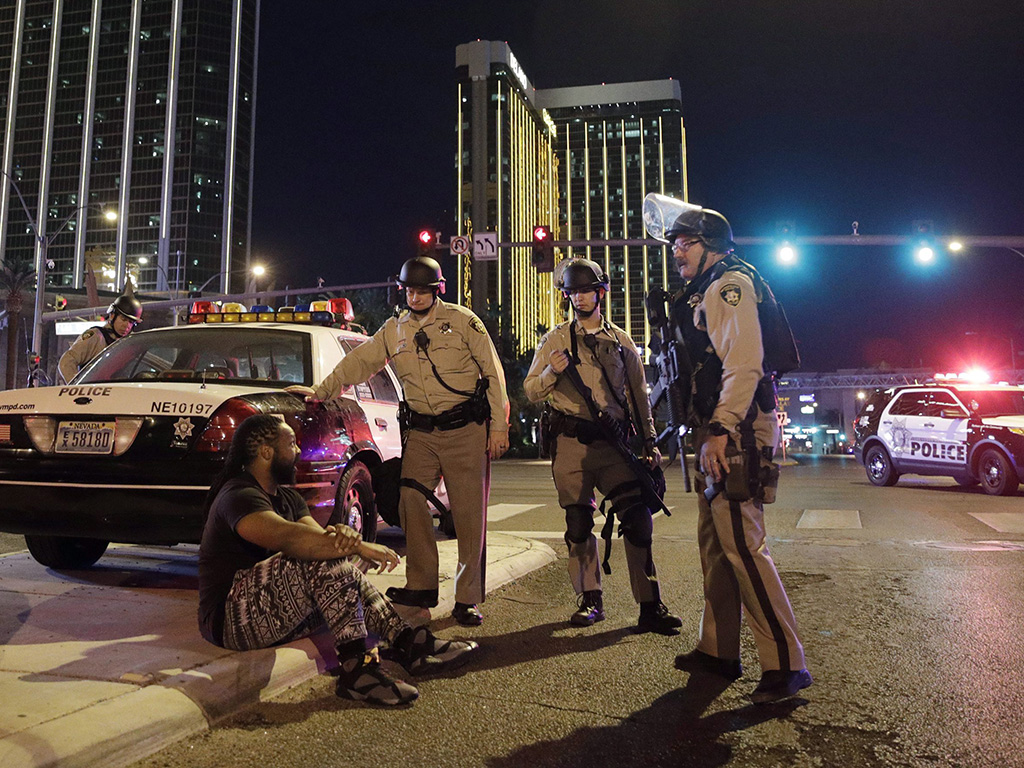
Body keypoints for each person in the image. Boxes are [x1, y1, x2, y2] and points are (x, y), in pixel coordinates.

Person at [198, 413, 479, 707]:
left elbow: (321, 540)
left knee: (330, 560)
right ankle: (356, 669)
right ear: (266, 452)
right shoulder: (238, 495)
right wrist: (361, 548)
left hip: (277, 618)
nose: (297, 452)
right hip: (231, 621)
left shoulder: (289, 499)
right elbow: (290, 539)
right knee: (319, 557)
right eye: (291, 444)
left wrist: (346, 540)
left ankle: (407, 643)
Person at [649, 196, 812, 704]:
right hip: (717, 432)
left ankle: (786, 664)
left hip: (735, 432)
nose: (676, 252)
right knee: (717, 546)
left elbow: (745, 365)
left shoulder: (729, 285)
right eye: (674, 242)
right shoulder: (705, 291)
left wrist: (719, 429)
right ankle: (718, 649)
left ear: (711, 246)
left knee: (743, 545)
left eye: (685, 243)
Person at [290, 256, 509, 627]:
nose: (416, 297)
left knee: (469, 517)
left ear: (437, 290)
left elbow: (492, 371)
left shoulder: (463, 322)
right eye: (410, 290)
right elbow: (358, 363)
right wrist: (320, 390)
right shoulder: (395, 329)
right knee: (409, 499)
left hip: (465, 430)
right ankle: (421, 585)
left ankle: (467, 598)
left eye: (423, 291)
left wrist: (499, 427)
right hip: (422, 432)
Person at [524, 259, 681, 634]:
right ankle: (590, 599)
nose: (579, 298)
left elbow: (639, 395)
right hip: (570, 444)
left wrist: (648, 440)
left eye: (585, 290)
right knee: (578, 523)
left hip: (614, 444)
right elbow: (531, 391)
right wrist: (551, 371)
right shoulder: (555, 340)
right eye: (572, 292)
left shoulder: (621, 340)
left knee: (638, 520)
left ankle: (650, 605)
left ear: (600, 292)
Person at [59, 281, 142, 383]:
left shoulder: (128, 344)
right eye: (123, 319)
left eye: (131, 322)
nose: (127, 326)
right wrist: (79, 388)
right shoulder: (96, 336)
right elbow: (67, 361)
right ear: (112, 315)